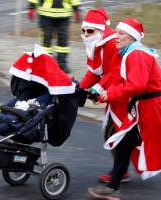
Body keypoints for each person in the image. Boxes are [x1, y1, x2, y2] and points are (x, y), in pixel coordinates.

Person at [88, 18, 161, 199]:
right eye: (116, 32)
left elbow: (137, 85)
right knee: (125, 144)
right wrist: (100, 91)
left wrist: (110, 95)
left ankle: (112, 187)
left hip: (151, 107)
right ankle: (113, 187)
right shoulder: (127, 53)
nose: (116, 36)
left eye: (121, 33)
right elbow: (116, 77)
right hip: (144, 106)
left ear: (132, 37)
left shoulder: (136, 55)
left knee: (126, 143)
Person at [79, 8, 130, 183]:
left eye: (90, 31)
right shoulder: (95, 43)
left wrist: (97, 88)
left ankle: (120, 173)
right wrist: (79, 88)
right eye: (83, 30)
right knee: (114, 131)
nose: (86, 34)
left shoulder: (110, 44)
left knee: (116, 132)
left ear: (100, 30)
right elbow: (94, 71)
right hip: (114, 91)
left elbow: (114, 72)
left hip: (124, 91)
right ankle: (120, 171)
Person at [27, 0, 81, 73]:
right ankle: (47, 64)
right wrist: (31, 6)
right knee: (46, 41)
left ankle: (62, 64)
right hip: (46, 14)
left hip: (64, 15)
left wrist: (76, 8)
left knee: (63, 40)